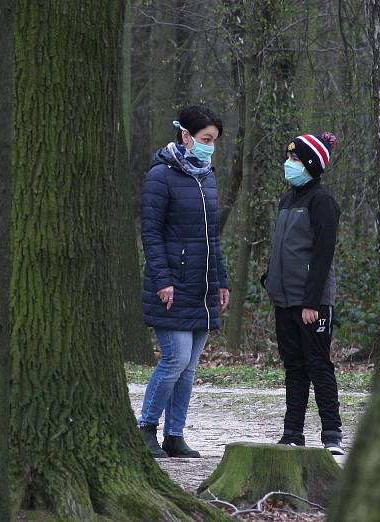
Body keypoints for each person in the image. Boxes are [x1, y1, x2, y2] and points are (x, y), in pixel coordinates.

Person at [137, 104, 230, 458]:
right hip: (172, 286)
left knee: (189, 368)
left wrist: (221, 281)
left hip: (203, 287)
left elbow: (213, 238)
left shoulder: (208, 176)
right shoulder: (160, 176)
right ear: (186, 135)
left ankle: (174, 435)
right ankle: (146, 426)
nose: (210, 147)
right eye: (206, 139)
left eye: (214, 141)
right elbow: (151, 233)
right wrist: (163, 279)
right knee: (174, 360)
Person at [262, 131, 344, 455]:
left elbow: (322, 255)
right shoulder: (287, 201)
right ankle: (292, 431)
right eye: (289, 157)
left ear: (310, 164)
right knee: (293, 367)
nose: (288, 164)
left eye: (295, 159)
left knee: (318, 365)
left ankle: (332, 433)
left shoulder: (322, 202)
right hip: (284, 301)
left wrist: (312, 302)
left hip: (312, 303)